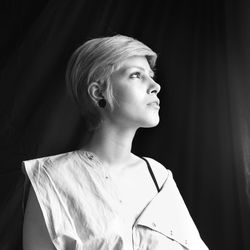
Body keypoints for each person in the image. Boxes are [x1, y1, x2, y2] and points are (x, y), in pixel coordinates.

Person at [22, 35, 209, 250]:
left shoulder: (159, 176)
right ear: (97, 92)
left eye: (151, 75)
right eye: (136, 75)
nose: (155, 85)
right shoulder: (52, 178)